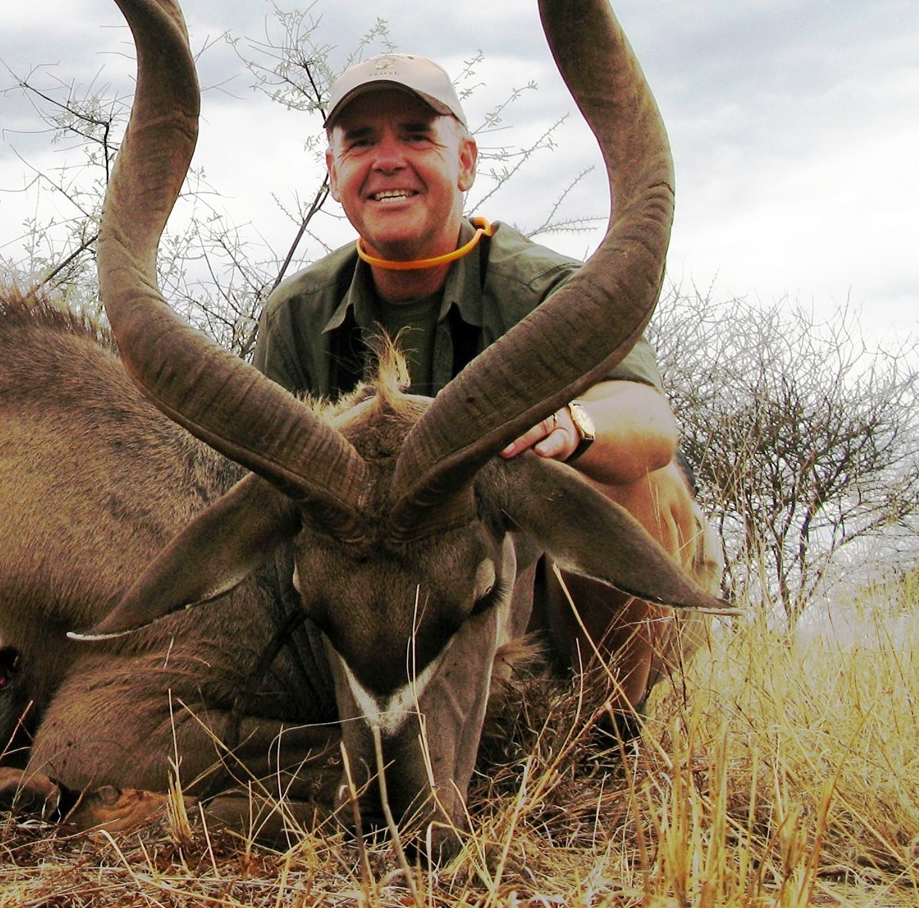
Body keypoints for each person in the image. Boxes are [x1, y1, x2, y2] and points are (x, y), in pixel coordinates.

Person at [250, 52, 716, 718]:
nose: (386, 160)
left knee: (625, 476)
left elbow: (648, 421)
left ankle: (602, 733)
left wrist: (572, 428)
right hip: (394, 621)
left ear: (465, 162)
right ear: (334, 172)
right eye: (360, 143)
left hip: (540, 596)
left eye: (415, 135)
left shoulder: (552, 292)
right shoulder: (297, 315)